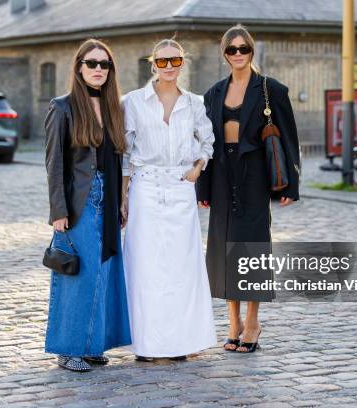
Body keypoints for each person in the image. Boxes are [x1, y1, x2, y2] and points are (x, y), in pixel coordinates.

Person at [196, 25, 301, 353]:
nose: (238, 54)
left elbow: (289, 138)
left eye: (244, 49)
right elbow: (204, 142)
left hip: (254, 173)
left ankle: (253, 322)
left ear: (251, 51)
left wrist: (291, 184)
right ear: (224, 54)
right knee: (224, 246)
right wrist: (203, 187)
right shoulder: (213, 93)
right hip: (222, 175)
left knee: (251, 246)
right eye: (232, 50)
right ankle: (233, 322)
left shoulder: (272, 89)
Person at [121, 38, 217, 361]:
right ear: (153, 64)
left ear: (182, 63)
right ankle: (146, 344)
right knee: (145, 267)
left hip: (180, 188)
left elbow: (208, 141)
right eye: (162, 61)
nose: (169, 67)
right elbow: (124, 154)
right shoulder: (133, 102)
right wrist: (123, 197)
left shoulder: (195, 103)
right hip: (145, 188)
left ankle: (180, 343)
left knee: (181, 268)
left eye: (175, 60)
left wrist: (198, 167)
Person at [43, 39, 131, 372]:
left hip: (108, 200)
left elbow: (116, 159)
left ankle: (92, 344)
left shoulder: (113, 108)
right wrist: (59, 212)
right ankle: (68, 349)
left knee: (104, 273)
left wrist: (121, 201)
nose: (98, 69)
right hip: (80, 203)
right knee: (78, 274)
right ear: (79, 67)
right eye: (91, 63)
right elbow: (54, 164)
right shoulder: (62, 107)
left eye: (104, 64)